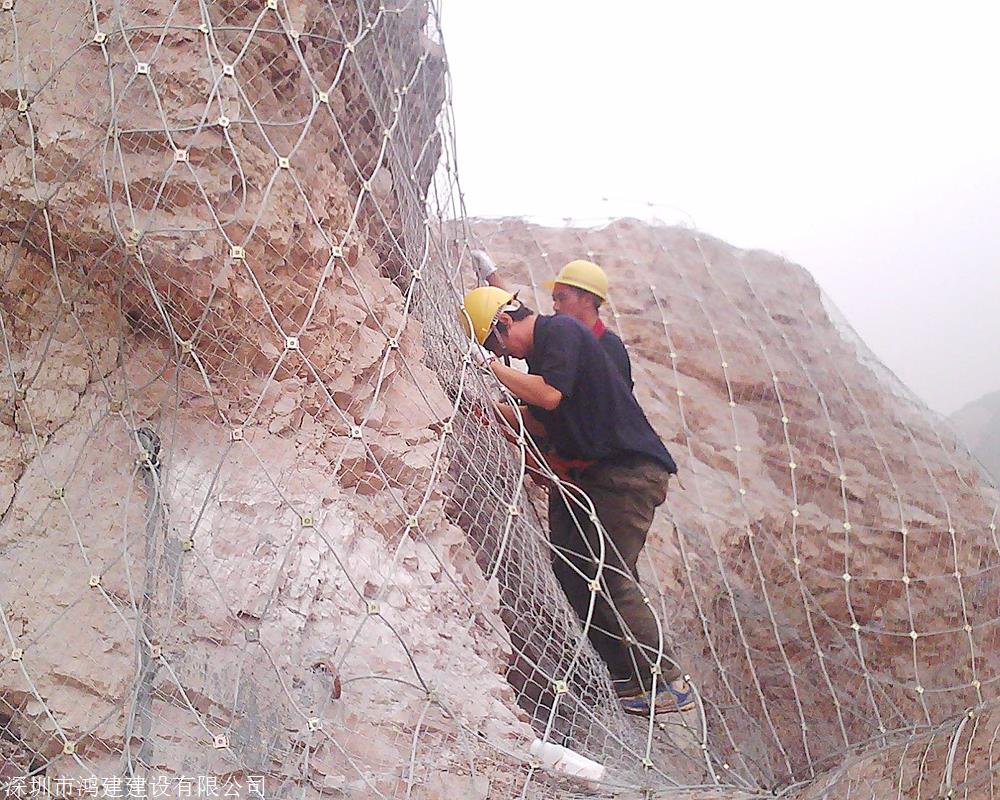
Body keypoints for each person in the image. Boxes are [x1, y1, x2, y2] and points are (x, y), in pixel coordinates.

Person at [460, 286, 692, 715]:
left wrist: (491, 367)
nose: (500, 353)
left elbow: (548, 395)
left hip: (626, 476)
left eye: (494, 343)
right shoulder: (544, 355)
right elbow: (540, 421)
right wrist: (487, 410)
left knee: (609, 576)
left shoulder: (561, 332)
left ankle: (665, 682)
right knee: (571, 569)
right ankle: (621, 674)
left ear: (505, 323)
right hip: (594, 476)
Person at [545, 260, 632, 389]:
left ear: (587, 300)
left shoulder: (610, 349)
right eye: (554, 299)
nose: (555, 306)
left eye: (562, 298)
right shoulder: (557, 341)